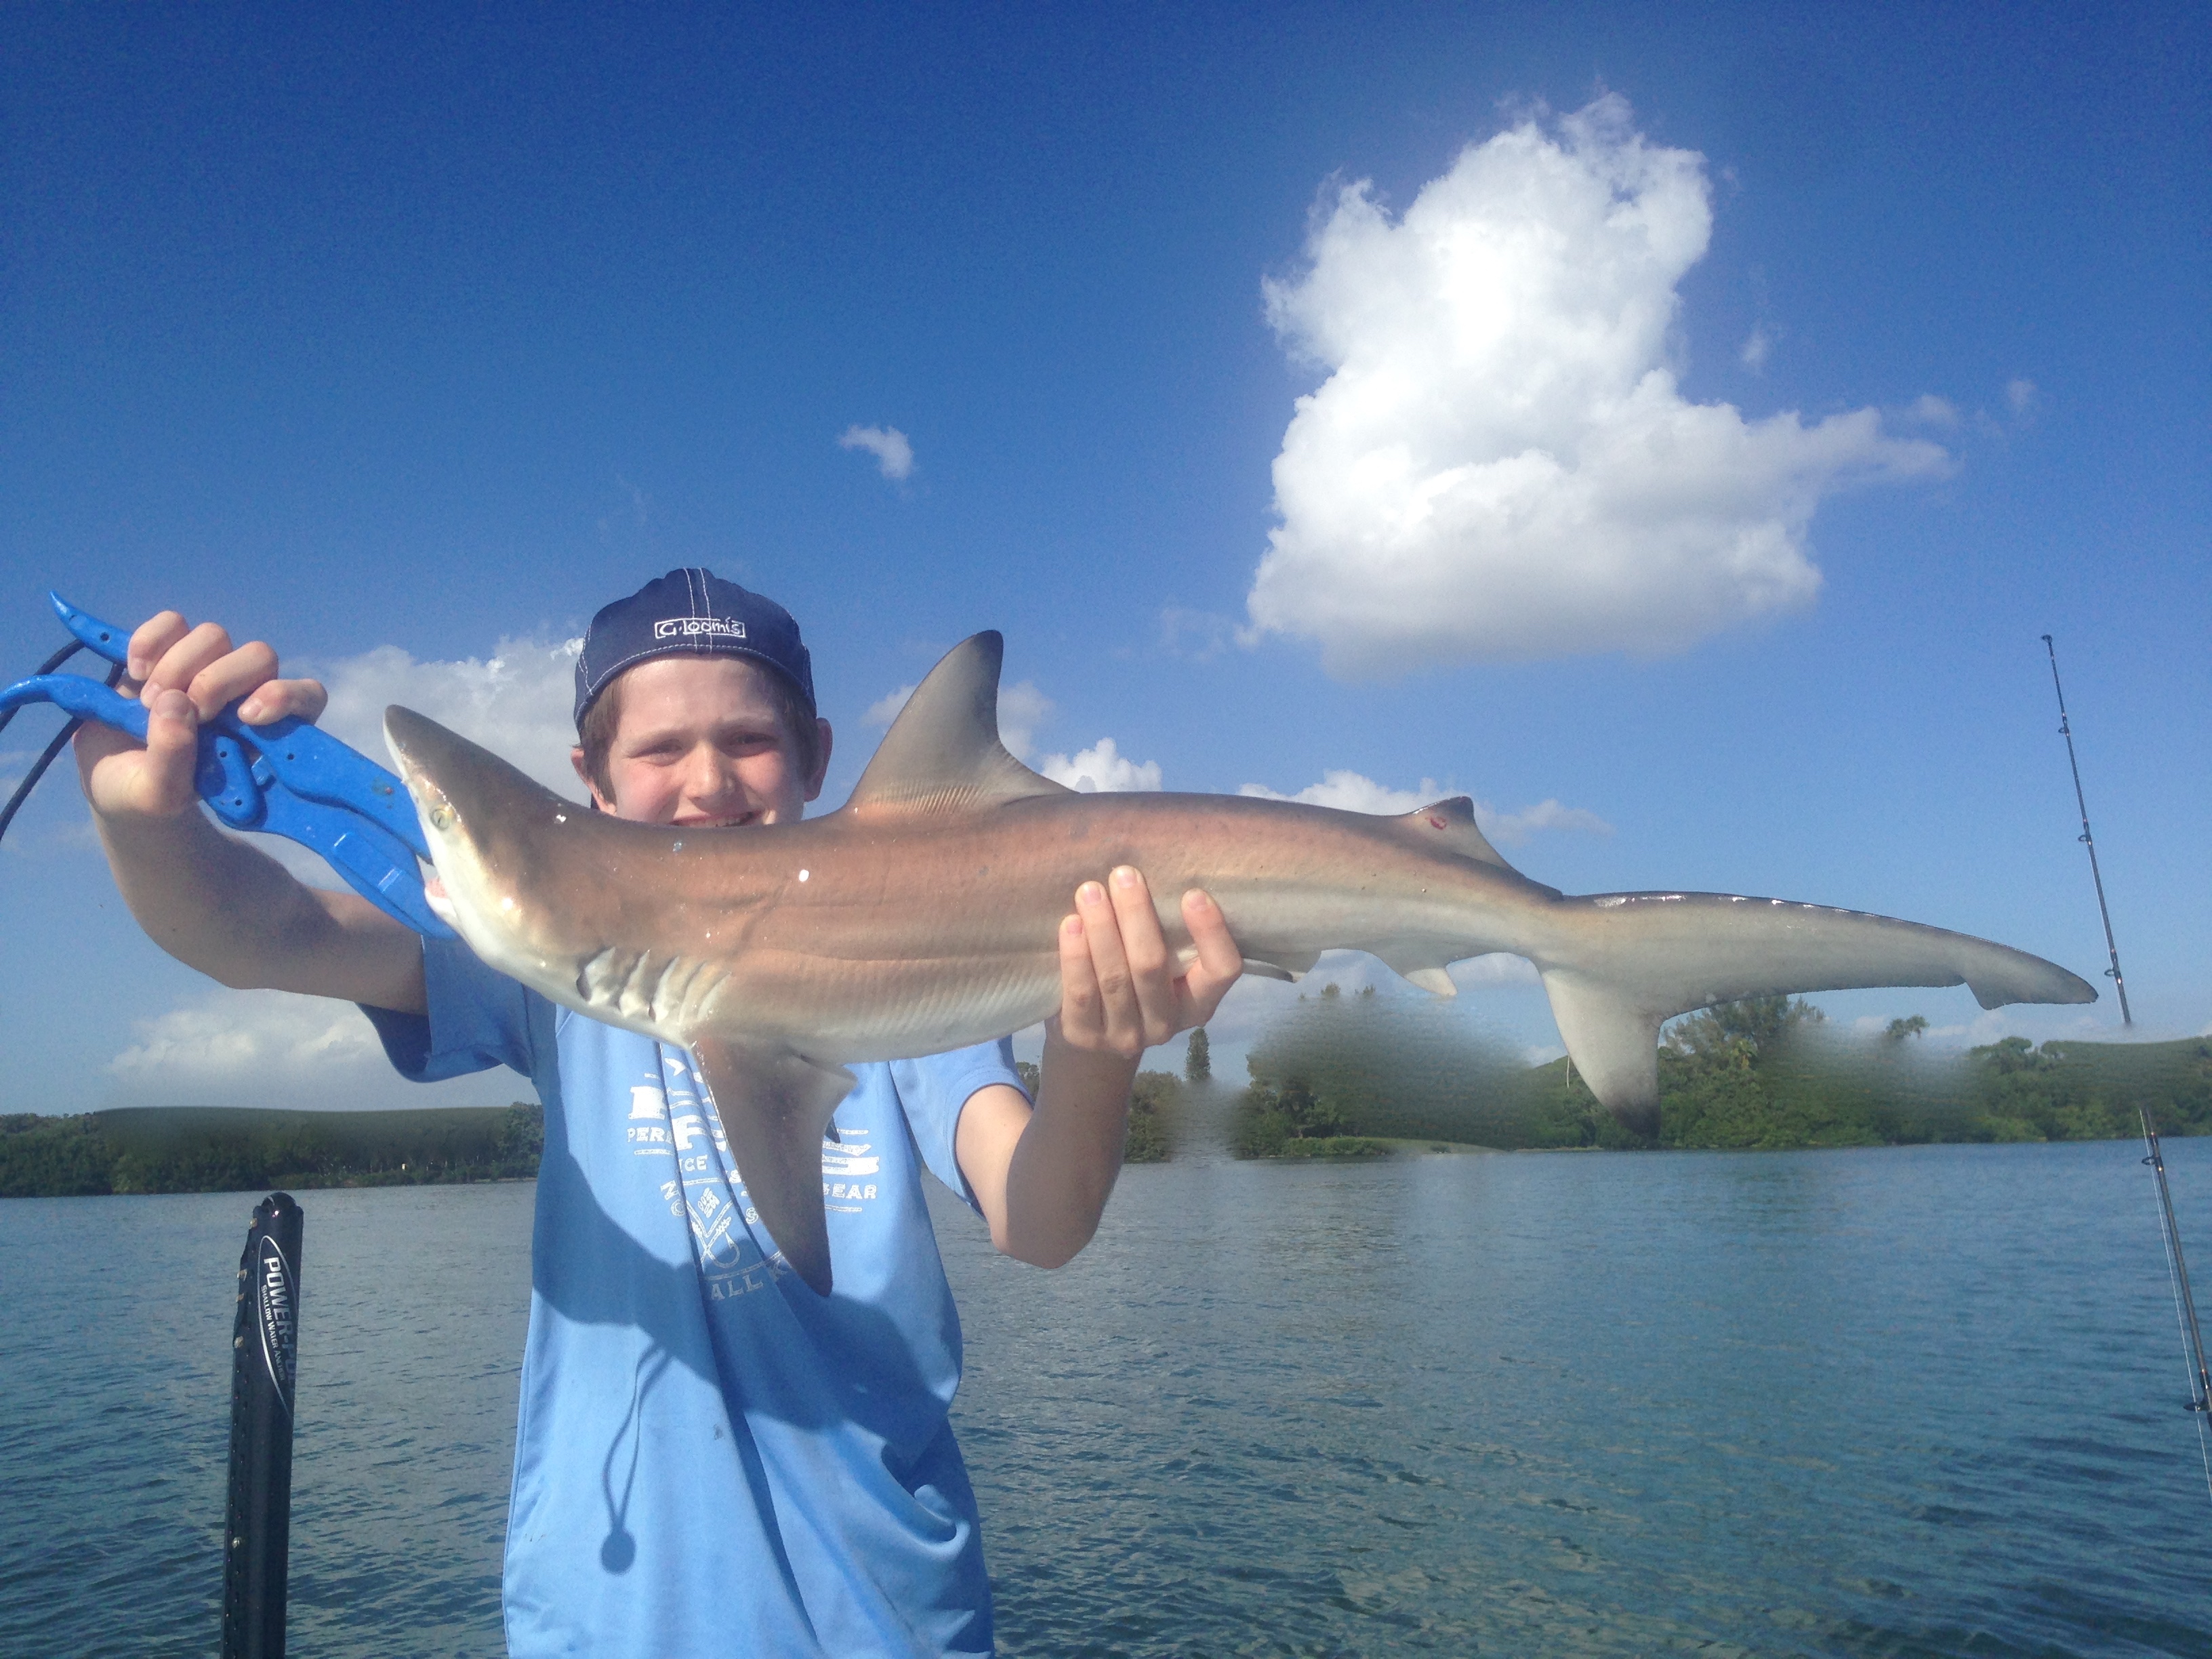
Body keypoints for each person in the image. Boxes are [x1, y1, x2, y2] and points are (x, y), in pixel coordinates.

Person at [75, 568, 1243, 1656]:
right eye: (660, 750)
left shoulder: (910, 990)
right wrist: (148, 821)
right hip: (616, 1623)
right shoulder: (549, 982)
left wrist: (1093, 1055)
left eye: (748, 740)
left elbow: (1039, 1223)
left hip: (888, 1616)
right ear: (590, 780)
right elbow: (263, 931)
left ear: (817, 756)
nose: (706, 780)